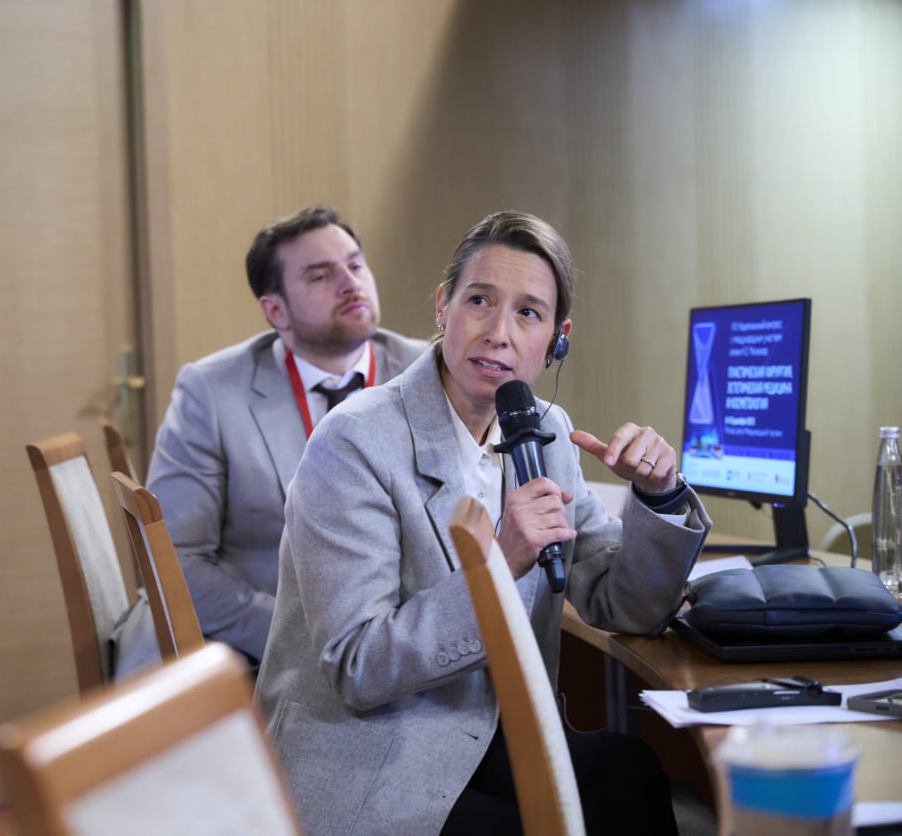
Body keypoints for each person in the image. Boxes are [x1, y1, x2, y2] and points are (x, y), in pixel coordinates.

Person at [255, 209, 711, 835]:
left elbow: (621, 604)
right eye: (479, 301)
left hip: (486, 731)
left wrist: (658, 497)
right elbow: (359, 666)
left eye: (528, 313)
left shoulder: (545, 430)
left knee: (631, 773)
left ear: (557, 338)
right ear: (443, 307)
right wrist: (499, 562)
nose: (499, 333)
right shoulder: (354, 441)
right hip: (368, 751)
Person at [145, 205, 428, 663]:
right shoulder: (213, 392)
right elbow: (172, 560)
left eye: (355, 265)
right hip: (266, 653)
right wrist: (302, 647)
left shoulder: (430, 374)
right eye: (320, 276)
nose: (350, 284)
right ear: (275, 310)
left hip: (407, 647)